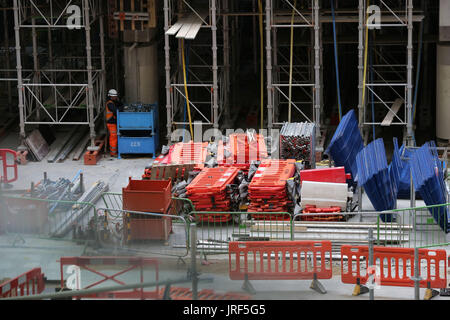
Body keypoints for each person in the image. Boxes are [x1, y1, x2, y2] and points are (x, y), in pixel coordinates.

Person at [105, 89, 124, 157]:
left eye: (115, 96)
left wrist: (121, 104)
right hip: (111, 123)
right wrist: (122, 108)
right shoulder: (110, 104)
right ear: (110, 96)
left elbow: (119, 104)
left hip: (113, 122)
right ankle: (113, 153)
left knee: (115, 137)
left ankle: (115, 151)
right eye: (114, 96)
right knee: (113, 137)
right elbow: (116, 111)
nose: (115, 97)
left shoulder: (113, 102)